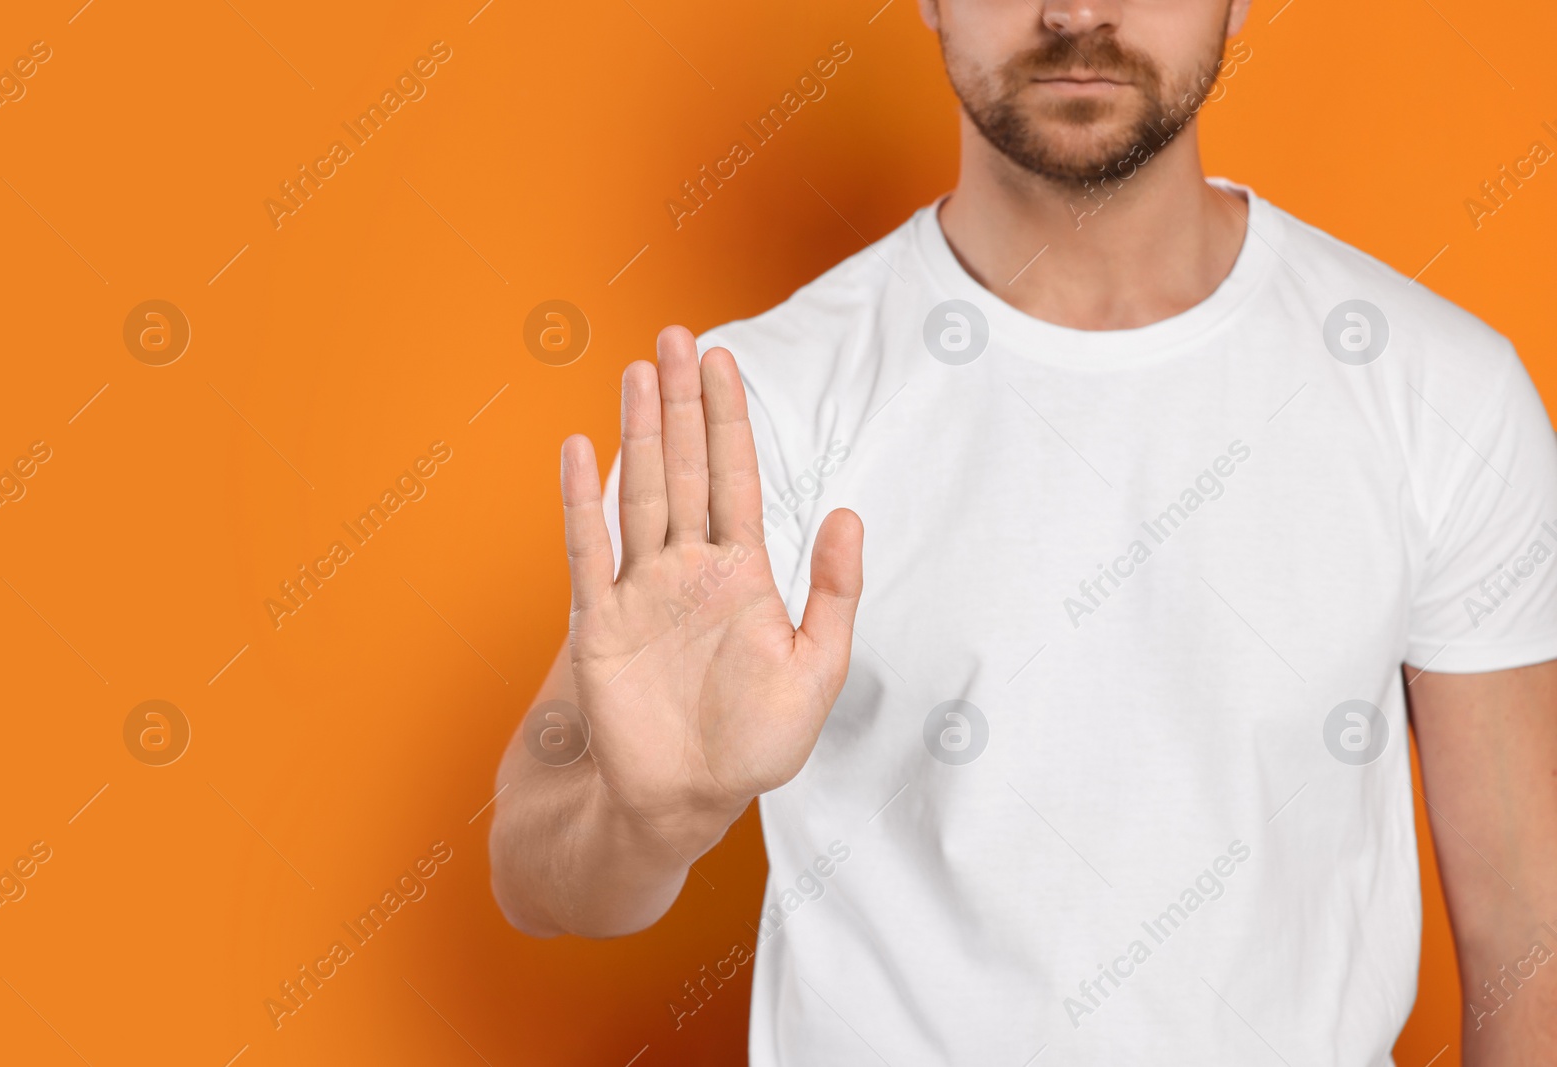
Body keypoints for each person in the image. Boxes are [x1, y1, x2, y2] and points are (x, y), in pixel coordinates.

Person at [490, 1, 1557, 1062]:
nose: (1077, 11)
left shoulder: (1436, 390)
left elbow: (1527, 936)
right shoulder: (756, 406)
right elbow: (534, 869)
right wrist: (655, 817)